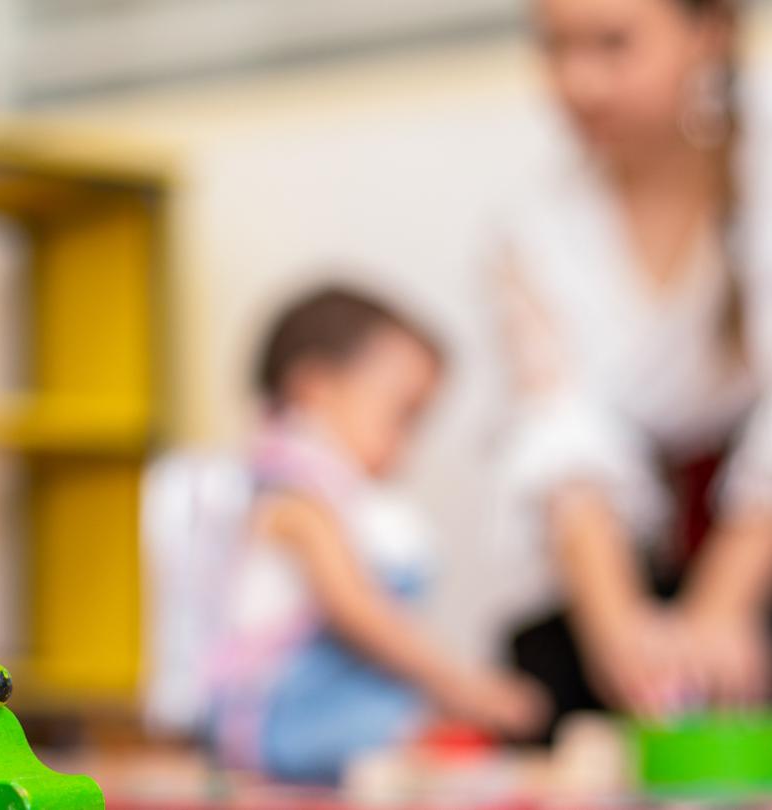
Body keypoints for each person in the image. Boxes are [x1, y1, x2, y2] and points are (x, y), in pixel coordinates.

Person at [494, 0, 772, 776]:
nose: (578, 82)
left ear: (709, 33)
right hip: (636, 573)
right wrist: (624, 636)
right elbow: (563, 437)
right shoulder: (533, 220)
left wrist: (717, 615)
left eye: (613, 44)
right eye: (554, 47)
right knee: (553, 691)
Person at [207, 285, 548, 785]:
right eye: (402, 415)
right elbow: (356, 609)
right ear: (315, 390)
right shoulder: (294, 497)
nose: (408, 444)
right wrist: (460, 684)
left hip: (332, 704)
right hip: (276, 717)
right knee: (412, 731)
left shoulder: (345, 503)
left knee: (416, 725)